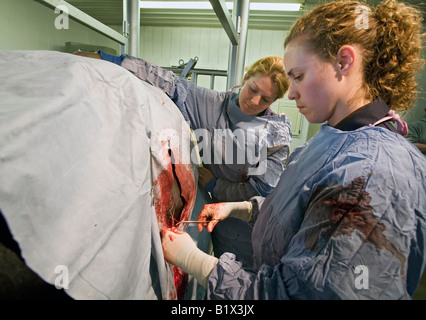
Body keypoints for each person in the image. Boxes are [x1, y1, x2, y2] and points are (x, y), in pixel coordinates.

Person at [161, 0, 426, 299]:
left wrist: (193, 260)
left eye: (298, 76)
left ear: (344, 61)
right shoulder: (332, 140)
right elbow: (298, 209)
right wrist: (240, 208)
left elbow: (301, 294)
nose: (292, 92)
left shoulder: (373, 175)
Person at [75, 51, 292, 202]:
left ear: (273, 102)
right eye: (253, 89)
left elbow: (262, 190)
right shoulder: (211, 105)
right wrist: (106, 59)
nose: (254, 101)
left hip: (251, 220)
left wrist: (215, 186)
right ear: (245, 78)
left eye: (265, 99)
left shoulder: (275, 138)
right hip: (219, 220)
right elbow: (167, 81)